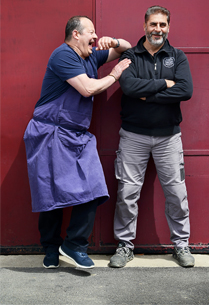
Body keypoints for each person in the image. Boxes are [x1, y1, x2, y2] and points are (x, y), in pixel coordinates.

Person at [24, 16, 132, 269]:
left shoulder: (91, 56)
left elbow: (126, 48)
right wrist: (115, 75)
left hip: (77, 136)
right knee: (51, 195)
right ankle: (51, 248)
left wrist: (113, 41)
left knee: (94, 188)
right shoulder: (62, 55)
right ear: (75, 34)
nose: (95, 37)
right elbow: (87, 89)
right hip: (50, 133)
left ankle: (73, 245)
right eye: (91, 33)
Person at [109, 5, 195, 268]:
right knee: (127, 192)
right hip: (133, 136)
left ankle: (181, 245)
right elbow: (128, 86)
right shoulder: (131, 55)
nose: (158, 29)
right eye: (153, 24)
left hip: (168, 137)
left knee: (176, 193)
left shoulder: (177, 57)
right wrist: (163, 84)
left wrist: (148, 95)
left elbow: (186, 90)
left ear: (169, 27)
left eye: (163, 24)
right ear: (144, 25)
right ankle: (125, 246)